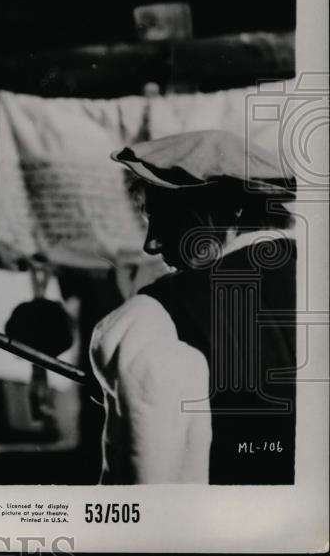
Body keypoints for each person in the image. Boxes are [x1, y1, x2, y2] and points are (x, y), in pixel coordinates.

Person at [90, 130, 296, 484]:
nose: (151, 244)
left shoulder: (152, 314)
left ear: (233, 211)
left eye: (165, 216)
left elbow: (141, 506)